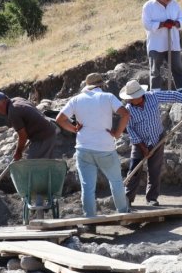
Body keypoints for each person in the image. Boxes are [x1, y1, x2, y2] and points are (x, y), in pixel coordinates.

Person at [55, 73, 130, 217]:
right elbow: (125, 114)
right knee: (116, 182)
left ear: (87, 86)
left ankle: (90, 219)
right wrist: (117, 133)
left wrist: (74, 129)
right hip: (105, 147)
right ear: (101, 85)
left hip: (83, 148)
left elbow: (60, 119)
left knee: (87, 187)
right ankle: (123, 214)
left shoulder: (76, 100)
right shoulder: (108, 97)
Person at [119, 79, 182, 206]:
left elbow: (173, 95)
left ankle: (151, 198)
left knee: (154, 169)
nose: (129, 100)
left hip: (157, 138)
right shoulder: (128, 109)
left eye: (131, 98)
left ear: (139, 95)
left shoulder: (153, 97)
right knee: (135, 169)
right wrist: (143, 147)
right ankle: (127, 199)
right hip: (139, 142)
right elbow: (131, 129)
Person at [142, 0, 182, 93]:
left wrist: (176, 23)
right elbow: (146, 24)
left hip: (172, 42)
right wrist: (162, 24)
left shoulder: (174, 5)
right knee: (155, 70)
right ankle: (155, 94)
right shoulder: (148, 6)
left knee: (177, 67)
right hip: (156, 44)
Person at [0, 91, 59, 160]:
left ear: (3, 101)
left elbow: (23, 136)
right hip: (47, 130)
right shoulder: (17, 100)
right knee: (44, 163)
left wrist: (18, 152)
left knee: (33, 165)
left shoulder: (13, 112)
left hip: (44, 137)